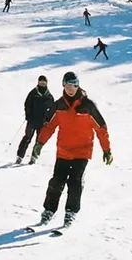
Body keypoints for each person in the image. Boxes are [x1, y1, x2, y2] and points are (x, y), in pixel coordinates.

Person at [29, 71, 111, 231]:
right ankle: (48, 211)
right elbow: (49, 126)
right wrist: (40, 143)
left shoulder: (88, 106)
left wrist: (106, 150)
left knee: (74, 182)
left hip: (82, 152)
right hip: (64, 151)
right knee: (56, 182)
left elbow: (101, 128)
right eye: (67, 86)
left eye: (73, 85)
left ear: (77, 85)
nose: (70, 89)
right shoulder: (58, 105)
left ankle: (70, 212)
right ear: (63, 86)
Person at [16, 75, 54, 165]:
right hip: (32, 120)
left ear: (46, 83)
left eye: (44, 83)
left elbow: (52, 109)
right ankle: (19, 156)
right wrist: (28, 114)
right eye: (40, 82)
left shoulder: (49, 96)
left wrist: (48, 119)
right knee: (27, 138)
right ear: (38, 82)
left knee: (39, 140)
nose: (42, 84)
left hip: (42, 122)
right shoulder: (33, 93)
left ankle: (33, 157)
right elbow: (27, 104)